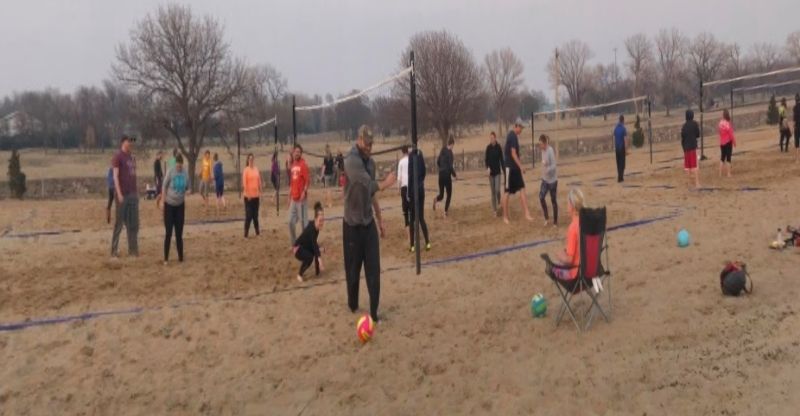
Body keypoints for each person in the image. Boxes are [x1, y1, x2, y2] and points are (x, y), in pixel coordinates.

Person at [343, 125, 396, 322]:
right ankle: (353, 304)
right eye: (366, 143)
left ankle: (374, 313)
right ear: (359, 139)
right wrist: (386, 183)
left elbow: (371, 194)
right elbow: (368, 183)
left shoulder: (371, 163)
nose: (369, 147)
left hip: (367, 223)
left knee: (373, 270)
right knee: (353, 272)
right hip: (351, 225)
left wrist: (380, 221)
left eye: (371, 144)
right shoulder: (351, 161)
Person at [547, 189, 597, 290]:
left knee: (550, 268)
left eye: (567, 203)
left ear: (572, 205)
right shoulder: (588, 222)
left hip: (576, 276)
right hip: (592, 271)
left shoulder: (573, 227)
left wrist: (559, 255)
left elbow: (569, 260)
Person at [501, 118, 534, 224]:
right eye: (521, 128)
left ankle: (527, 213)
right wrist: (521, 166)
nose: (522, 130)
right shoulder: (513, 136)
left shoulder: (512, 135)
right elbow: (513, 153)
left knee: (522, 188)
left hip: (514, 168)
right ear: (517, 126)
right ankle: (505, 217)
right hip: (509, 169)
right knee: (507, 192)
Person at [111, 135, 139, 258]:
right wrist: (119, 193)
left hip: (133, 194)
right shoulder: (118, 157)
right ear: (123, 142)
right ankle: (114, 251)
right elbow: (115, 176)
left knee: (133, 224)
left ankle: (133, 250)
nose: (130, 143)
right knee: (119, 223)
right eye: (129, 141)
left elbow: (133, 175)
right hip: (122, 195)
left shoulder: (132, 157)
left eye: (131, 141)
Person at [161, 154, 188, 264]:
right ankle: (166, 258)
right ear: (175, 164)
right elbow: (164, 186)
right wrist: (163, 201)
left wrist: (188, 191)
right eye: (177, 166)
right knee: (168, 232)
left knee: (179, 233)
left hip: (180, 206)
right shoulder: (170, 171)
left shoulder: (185, 173)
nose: (179, 168)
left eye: (180, 166)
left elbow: (187, 187)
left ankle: (180, 258)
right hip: (169, 205)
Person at [293, 201, 326, 283]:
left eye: (322, 220)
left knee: (317, 250)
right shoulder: (312, 229)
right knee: (310, 257)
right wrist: (320, 261)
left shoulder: (316, 228)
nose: (321, 223)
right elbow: (314, 245)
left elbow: (313, 244)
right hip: (298, 249)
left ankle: (317, 273)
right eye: (320, 220)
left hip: (305, 246)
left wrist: (319, 249)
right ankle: (299, 275)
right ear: (315, 219)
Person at [407, 146, 431, 252]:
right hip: (421, 189)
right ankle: (427, 243)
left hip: (414, 191)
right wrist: (421, 182)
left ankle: (412, 245)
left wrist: (408, 192)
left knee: (412, 219)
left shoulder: (411, 156)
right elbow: (424, 172)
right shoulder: (420, 154)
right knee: (421, 217)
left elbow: (410, 175)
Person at [288, 144, 310, 246]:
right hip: (294, 198)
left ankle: (307, 242)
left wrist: (304, 192)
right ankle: (294, 243)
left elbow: (307, 180)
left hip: (301, 199)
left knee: (304, 223)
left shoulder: (303, 164)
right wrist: (289, 196)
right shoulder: (293, 165)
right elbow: (292, 182)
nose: (297, 153)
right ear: (293, 153)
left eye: (299, 152)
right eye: (296, 151)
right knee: (290, 222)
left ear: (301, 153)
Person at [538, 134, 558, 226]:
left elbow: (554, 165)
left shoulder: (550, 151)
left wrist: (547, 169)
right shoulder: (542, 151)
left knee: (553, 200)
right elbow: (544, 163)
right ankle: (546, 218)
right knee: (541, 197)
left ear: (545, 143)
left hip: (552, 180)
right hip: (545, 179)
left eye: (541, 144)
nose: (540, 146)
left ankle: (555, 222)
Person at [433, 137, 456, 218]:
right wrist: (455, 175)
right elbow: (450, 166)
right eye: (453, 145)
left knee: (442, 195)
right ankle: (445, 212)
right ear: (452, 144)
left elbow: (438, 161)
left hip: (441, 175)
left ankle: (436, 199)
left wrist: (441, 168)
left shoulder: (443, 149)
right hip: (446, 176)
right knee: (449, 194)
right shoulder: (450, 153)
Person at [242, 153, 262, 237]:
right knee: (249, 215)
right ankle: (246, 233)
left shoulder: (256, 169)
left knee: (255, 215)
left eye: (252, 159)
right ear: (248, 160)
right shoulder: (246, 170)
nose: (251, 160)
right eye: (249, 159)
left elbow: (259, 181)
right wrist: (248, 193)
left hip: (256, 196)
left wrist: (261, 191)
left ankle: (257, 232)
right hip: (248, 197)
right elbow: (244, 183)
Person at [484, 131, 504, 215]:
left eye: (492, 138)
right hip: (491, 174)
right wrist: (487, 168)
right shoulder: (488, 148)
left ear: (495, 138)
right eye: (490, 138)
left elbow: (501, 160)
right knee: (492, 192)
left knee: (497, 190)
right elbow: (486, 160)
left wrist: (504, 170)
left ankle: (499, 200)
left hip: (497, 173)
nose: (491, 140)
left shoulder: (499, 147)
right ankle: (494, 210)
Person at [681, 109, 701, 189]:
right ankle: (696, 183)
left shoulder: (684, 126)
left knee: (687, 167)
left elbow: (682, 137)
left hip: (686, 149)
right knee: (694, 166)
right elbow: (698, 134)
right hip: (693, 147)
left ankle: (688, 184)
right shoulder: (695, 124)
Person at [397, 145, 411, 244]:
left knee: (405, 212)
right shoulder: (411, 160)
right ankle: (413, 232)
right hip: (412, 187)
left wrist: (398, 188)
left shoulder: (401, 162)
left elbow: (399, 177)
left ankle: (409, 236)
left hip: (404, 187)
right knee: (412, 210)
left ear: (402, 152)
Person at [718, 109, 736, 178]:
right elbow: (731, 134)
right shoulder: (728, 124)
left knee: (722, 158)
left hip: (722, 143)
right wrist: (734, 142)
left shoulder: (720, 123)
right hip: (728, 142)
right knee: (728, 158)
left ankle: (720, 173)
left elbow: (719, 133)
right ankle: (728, 173)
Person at [613, 115, 629, 183]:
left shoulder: (615, 128)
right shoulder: (623, 128)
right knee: (622, 163)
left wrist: (614, 147)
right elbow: (625, 139)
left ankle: (620, 176)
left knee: (618, 163)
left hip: (617, 148)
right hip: (621, 148)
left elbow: (613, 138)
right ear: (623, 120)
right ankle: (620, 178)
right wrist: (626, 149)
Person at [794, 94, 800, 162]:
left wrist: (794, 126)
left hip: (797, 126)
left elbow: (794, 119)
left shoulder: (795, 107)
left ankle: (797, 158)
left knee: (797, 142)